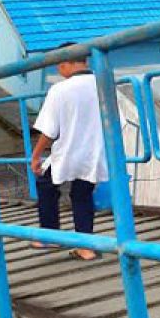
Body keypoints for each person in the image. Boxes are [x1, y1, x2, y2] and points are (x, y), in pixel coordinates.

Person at [29, 45, 107, 261]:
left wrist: (36, 155)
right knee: (82, 195)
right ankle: (86, 247)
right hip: (94, 152)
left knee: (45, 185)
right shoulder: (103, 85)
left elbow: (49, 130)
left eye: (59, 65)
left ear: (66, 63)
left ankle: (50, 234)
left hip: (68, 151)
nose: (58, 70)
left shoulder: (60, 89)